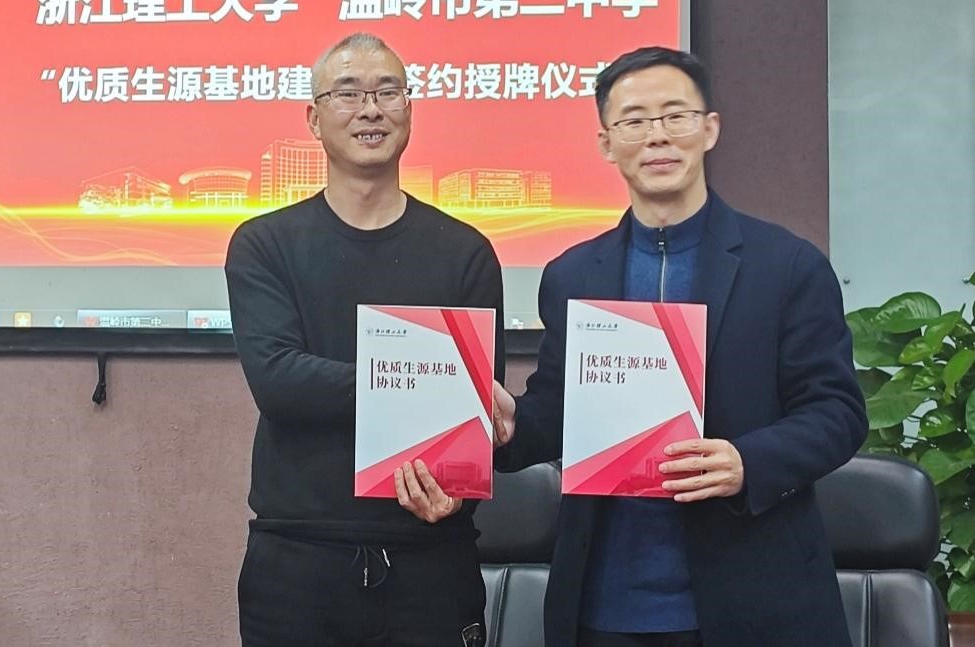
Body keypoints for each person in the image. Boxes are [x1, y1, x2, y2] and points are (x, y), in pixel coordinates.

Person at [492, 46, 867, 647]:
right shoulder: (572, 275)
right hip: (604, 602)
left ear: (709, 128)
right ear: (606, 143)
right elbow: (559, 412)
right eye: (634, 121)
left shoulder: (787, 266)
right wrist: (513, 425)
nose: (657, 136)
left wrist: (748, 461)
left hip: (753, 598)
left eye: (675, 116)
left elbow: (838, 411)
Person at [226, 32, 505, 647]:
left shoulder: (465, 252)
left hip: (430, 560)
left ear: (410, 110)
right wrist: (431, 384)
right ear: (314, 118)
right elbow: (279, 381)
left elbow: (481, 409)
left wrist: (457, 491)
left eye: (388, 92)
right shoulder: (264, 244)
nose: (370, 109)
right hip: (298, 563)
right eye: (348, 93)